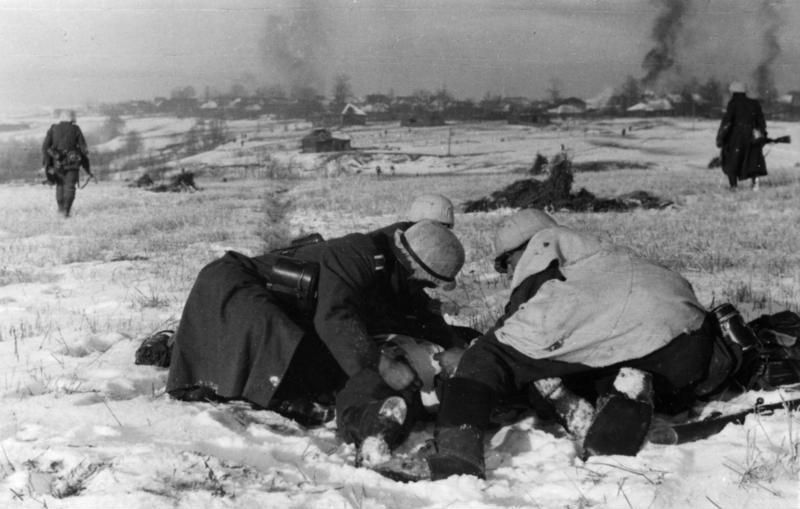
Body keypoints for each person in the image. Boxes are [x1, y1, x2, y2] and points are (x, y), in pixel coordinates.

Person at [419, 209, 752, 480]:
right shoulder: (604, 252)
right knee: (590, 360)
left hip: (643, 336)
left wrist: (468, 358)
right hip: (688, 347)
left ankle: (456, 456)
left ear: (519, 249)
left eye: (505, 265)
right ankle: (625, 388)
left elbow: (509, 335)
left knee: (489, 357)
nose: (508, 274)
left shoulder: (545, 253)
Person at [167, 220, 470, 457]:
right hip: (236, 287)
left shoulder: (394, 271)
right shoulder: (360, 255)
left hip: (283, 304)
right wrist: (384, 366)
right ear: (415, 267)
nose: (428, 287)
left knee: (316, 365)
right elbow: (335, 317)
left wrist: (457, 347)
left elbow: (419, 315)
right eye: (430, 281)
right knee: (277, 340)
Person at [716, 81, 768, 191]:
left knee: (732, 160)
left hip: (736, 137)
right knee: (753, 160)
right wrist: (762, 135)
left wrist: (721, 138)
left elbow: (727, 122)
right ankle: (755, 184)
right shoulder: (755, 103)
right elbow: (761, 122)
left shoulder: (733, 103)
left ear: (733, 92)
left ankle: (733, 186)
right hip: (752, 136)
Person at [41, 109, 93, 217]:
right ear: (72, 117)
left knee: (60, 185)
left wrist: (47, 163)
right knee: (70, 187)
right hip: (73, 164)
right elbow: (84, 150)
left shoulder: (53, 128)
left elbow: (45, 147)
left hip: (57, 164)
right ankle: (66, 211)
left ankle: (60, 209)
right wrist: (87, 168)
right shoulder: (76, 129)